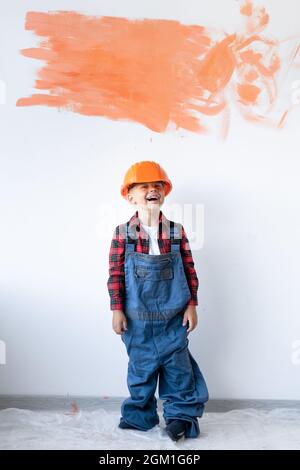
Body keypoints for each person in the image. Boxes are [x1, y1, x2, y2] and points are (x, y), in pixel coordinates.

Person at [107, 161, 208, 441]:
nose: (152, 190)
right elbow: (115, 273)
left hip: (174, 316)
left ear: (164, 192)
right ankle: (140, 416)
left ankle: (180, 419)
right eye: (144, 186)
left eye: (157, 185)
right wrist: (117, 310)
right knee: (141, 371)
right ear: (130, 196)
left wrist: (192, 304)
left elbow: (189, 270)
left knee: (179, 371)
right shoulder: (122, 234)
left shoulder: (176, 231)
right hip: (137, 319)